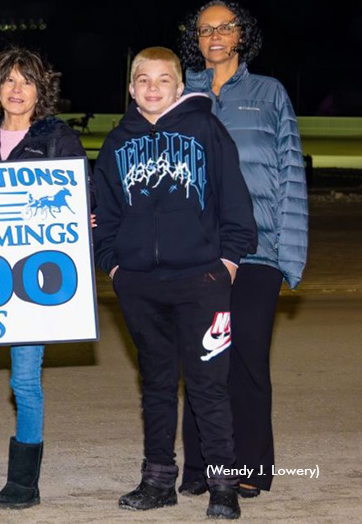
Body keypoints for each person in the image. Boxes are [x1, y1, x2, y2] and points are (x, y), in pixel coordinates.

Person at [93, 47, 257, 520]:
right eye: (143, 79)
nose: (152, 88)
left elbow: (235, 201)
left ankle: (222, 485)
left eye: (163, 79)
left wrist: (227, 263)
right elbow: (104, 212)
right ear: (131, 88)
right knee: (157, 384)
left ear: (180, 87)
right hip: (140, 285)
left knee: (209, 385)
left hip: (201, 281)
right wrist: (115, 267)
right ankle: (159, 479)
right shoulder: (117, 142)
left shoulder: (206, 130)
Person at [177, 0, 309, 499]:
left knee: (248, 359)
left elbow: (290, 175)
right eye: (204, 29)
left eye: (225, 27)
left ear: (240, 35)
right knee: (202, 361)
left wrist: (288, 256)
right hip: (197, 253)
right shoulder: (181, 92)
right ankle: (202, 467)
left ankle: (249, 467)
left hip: (256, 252)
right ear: (195, 38)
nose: (214, 36)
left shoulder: (269, 93)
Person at [0, 46, 86, 509]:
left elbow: (81, 200)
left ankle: (23, 482)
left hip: (31, 284)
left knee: (25, 383)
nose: (17, 89)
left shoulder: (58, 139)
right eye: (9, 79)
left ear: (41, 90)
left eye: (27, 80)